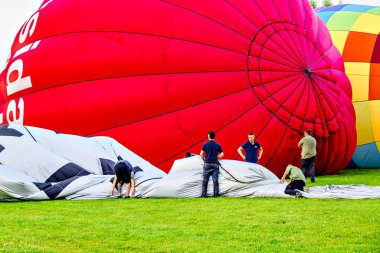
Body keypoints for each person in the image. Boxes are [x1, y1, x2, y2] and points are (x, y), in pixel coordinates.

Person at [200, 131, 224, 197]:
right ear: (214, 137)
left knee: (205, 180)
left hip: (207, 164)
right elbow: (222, 154)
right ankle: (216, 194)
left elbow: (201, 154)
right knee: (215, 179)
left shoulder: (205, 144)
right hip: (215, 164)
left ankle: (203, 194)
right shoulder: (217, 144)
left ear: (208, 136)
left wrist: (204, 160)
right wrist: (217, 157)